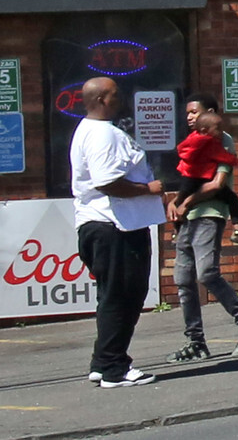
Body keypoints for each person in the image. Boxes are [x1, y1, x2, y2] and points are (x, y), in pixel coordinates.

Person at [70, 76, 165, 388]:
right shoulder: (102, 135)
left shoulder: (93, 131)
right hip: (114, 226)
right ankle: (114, 368)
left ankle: (103, 362)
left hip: (109, 224)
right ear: (101, 99)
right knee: (124, 297)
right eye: (115, 93)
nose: (121, 97)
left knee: (114, 296)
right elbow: (107, 181)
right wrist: (148, 188)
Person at [166, 96, 238, 362]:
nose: (189, 117)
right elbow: (189, 177)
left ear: (209, 113)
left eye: (194, 112)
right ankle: (196, 341)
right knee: (183, 280)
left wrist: (185, 202)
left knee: (207, 274)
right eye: (187, 113)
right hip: (190, 217)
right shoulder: (195, 142)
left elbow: (218, 183)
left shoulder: (221, 140)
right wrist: (176, 204)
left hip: (209, 214)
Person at [166, 103, 238, 247]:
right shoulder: (210, 142)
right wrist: (233, 159)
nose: (220, 132)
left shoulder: (191, 139)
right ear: (205, 130)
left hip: (188, 178)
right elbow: (222, 158)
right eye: (217, 129)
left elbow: (182, 151)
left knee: (179, 199)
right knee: (232, 198)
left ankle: (176, 230)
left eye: (194, 112)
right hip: (203, 178)